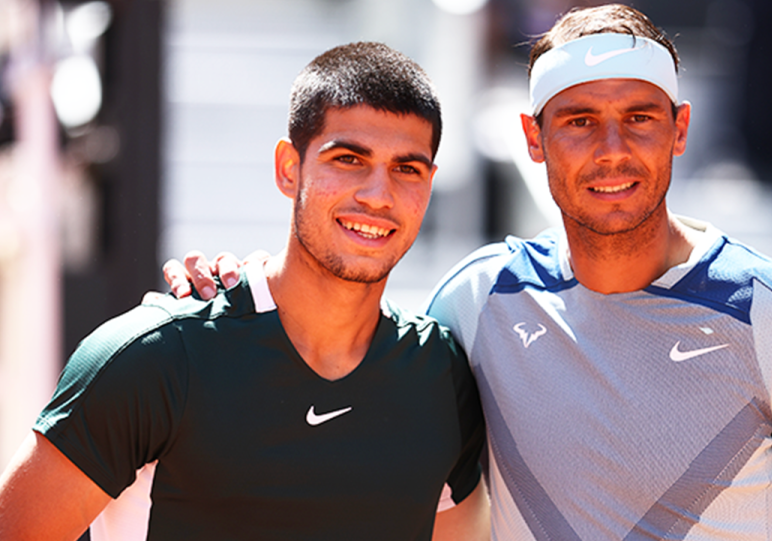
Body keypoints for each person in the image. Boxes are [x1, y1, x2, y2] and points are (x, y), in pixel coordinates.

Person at [161, 4, 772, 540]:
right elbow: (337, 341)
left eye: (639, 117)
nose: (612, 148)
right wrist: (246, 282)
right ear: (534, 138)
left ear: (679, 128)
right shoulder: (478, 300)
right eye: (579, 120)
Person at [0, 42, 489, 541]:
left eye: (406, 169)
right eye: (348, 159)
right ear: (288, 168)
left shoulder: (441, 375)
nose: (377, 195)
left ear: (429, 183)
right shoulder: (154, 358)